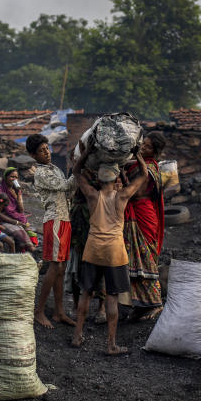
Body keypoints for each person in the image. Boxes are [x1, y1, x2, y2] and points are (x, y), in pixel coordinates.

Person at [70, 139, 148, 356]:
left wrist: (86, 153)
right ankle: (111, 344)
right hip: (115, 252)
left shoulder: (92, 195)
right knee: (112, 297)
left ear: (98, 177)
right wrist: (137, 154)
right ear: (116, 179)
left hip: (93, 249)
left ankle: (77, 335)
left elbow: (76, 172)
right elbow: (143, 176)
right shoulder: (122, 196)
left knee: (86, 293)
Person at [26, 133, 76, 328]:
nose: (46, 152)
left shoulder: (54, 168)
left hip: (65, 219)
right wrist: (77, 170)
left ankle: (59, 311)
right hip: (54, 220)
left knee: (61, 269)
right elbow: (64, 186)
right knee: (55, 266)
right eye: (41, 151)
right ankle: (39, 311)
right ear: (33, 156)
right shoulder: (41, 173)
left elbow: (68, 192)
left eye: (47, 148)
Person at [121, 131, 166, 320]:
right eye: (143, 144)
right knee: (133, 259)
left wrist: (123, 176)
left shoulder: (149, 168)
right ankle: (140, 304)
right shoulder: (137, 165)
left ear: (154, 151)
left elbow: (136, 193)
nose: (143, 148)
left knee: (146, 258)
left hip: (144, 214)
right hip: (135, 213)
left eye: (147, 147)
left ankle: (156, 303)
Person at [0, 167, 35, 252]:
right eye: (12, 177)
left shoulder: (15, 191)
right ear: (5, 177)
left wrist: (18, 195)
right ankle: (31, 253)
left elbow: (21, 211)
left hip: (17, 218)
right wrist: (14, 222)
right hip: (3, 221)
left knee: (32, 235)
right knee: (21, 235)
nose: (14, 179)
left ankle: (23, 254)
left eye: (16, 177)